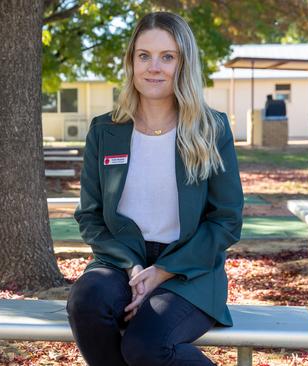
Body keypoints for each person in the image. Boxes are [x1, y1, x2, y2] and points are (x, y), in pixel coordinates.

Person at [67, 12, 244, 366]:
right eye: (144, 55)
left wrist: (163, 271)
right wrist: (132, 268)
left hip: (188, 270)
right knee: (85, 303)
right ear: (131, 62)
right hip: (120, 264)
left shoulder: (211, 129)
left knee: (145, 345)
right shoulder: (105, 130)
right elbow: (89, 216)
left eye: (168, 56)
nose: (154, 67)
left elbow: (226, 221)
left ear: (183, 63)